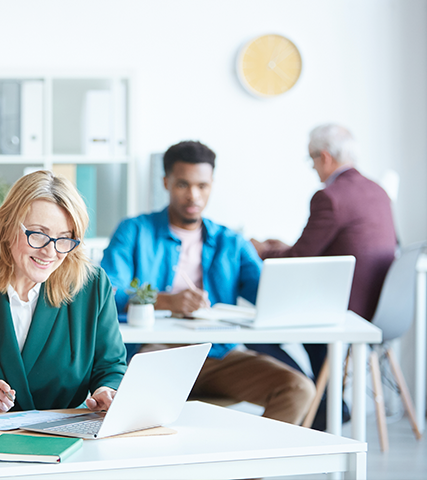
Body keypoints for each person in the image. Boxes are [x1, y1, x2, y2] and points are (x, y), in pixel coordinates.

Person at [101, 140, 316, 425]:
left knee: (299, 388)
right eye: (183, 185)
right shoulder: (134, 230)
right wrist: (167, 301)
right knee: (144, 423)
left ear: (212, 184)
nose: (193, 195)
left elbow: (266, 293)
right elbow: (107, 291)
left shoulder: (231, 241)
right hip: (154, 356)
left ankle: (245, 472)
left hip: (214, 356)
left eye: (202, 186)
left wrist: (298, 287)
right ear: (166, 182)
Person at [0, 170, 127, 415]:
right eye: (39, 235)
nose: (50, 252)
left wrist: (105, 390)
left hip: (67, 438)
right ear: (8, 227)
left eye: (64, 239)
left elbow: (110, 367)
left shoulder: (92, 287)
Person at [250, 124, 397, 429]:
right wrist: (283, 247)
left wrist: (260, 250)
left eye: (312, 160)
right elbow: (338, 247)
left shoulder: (329, 197)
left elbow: (298, 259)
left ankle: (316, 399)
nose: (314, 168)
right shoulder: (377, 191)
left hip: (340, 310)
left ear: (325, 156)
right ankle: (327, 401)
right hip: (380, 307)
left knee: (257, 328)